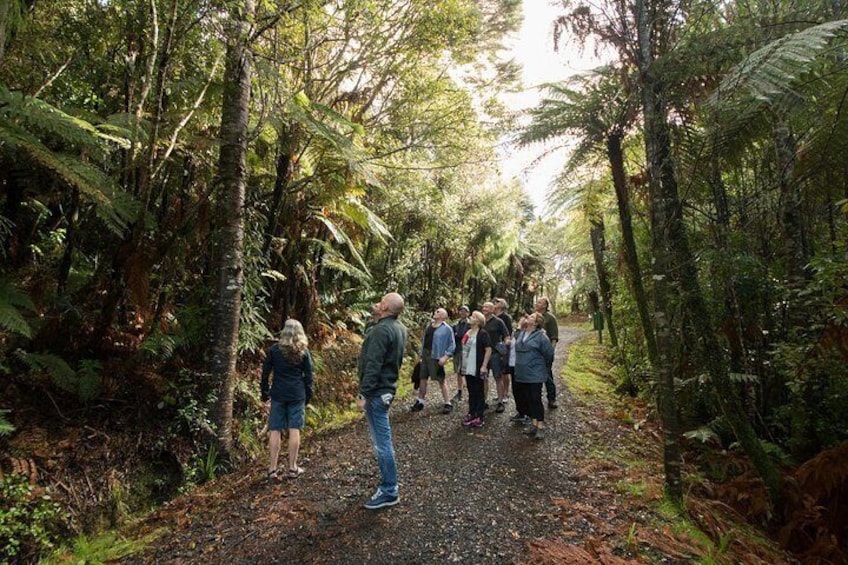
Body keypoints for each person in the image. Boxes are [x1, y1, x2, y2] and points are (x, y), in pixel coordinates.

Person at [357, 292, 408, 510]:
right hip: (387, 389)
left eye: (380, 301)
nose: (376, 303)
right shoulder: (398, 328)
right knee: (382, 440)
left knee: (382, 442)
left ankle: (389, 490)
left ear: (386, 306)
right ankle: (389, 486)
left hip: (378, 392)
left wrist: (364, 394)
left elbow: (373, 364)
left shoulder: (381, 331)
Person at [260, 319, 314, 480]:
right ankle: (292, 468)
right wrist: (308, 395)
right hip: (297, 394)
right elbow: (309, 377)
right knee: (294, 428)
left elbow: (265, 373)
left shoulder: (275, 350)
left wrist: (265, 392)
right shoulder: (303, 351)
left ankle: (272, 469)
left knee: (275, 429)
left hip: (278, 394)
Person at [514, 312, 555, 439]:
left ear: (536, 323)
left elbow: (549, 354)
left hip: (535, 373)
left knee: (535, 398)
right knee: (528, 399)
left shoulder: (541, 337)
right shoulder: (522, 333)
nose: (528, 317)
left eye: (532, 317)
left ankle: (540, 426)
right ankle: (533, 424)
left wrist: (541, 367)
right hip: (522, 373)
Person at [410, 307, 456, 414]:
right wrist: (421, 356)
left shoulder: (447, 329)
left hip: (436, 357)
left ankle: (447, 403)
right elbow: (424, 341)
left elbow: (452, 345)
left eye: (438, 311)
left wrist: (446, 357)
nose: (435, 312)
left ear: (443, 316)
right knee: (422, 377)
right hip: (425, 355)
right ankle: (420, 401)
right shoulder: (429, 326)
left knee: (441, 379)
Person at [460, 310, 492, 428]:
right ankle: (471, 412)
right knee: (471, 391)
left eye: (473, 316)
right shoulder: (468, 332)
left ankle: (479, 416)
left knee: (479, 391)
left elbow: (488, 349)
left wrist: (484, 365)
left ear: (478, 321)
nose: (470, 318)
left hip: (477, 367)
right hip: (467, 367)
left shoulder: (483, 333)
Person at [482, 301, 511, 413]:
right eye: (483, 307)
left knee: (498, 377)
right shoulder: (481, 321)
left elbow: (506, 336)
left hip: (495, 353)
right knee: (483, 377)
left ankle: (500, 401)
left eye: (487, 307)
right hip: (482, 354)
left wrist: (506, 344)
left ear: (492, 309)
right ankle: (483, 401)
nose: (484, 308)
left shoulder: (498, 321)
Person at [535, 296, 559, 409]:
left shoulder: (550, 318)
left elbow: (554, 337)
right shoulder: (534, 316)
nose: (537, 304)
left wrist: (551, 351)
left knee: (547, 375)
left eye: (540, 302)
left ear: (545, 305)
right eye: (537, 302)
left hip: (545, 351)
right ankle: (536, 399)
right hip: (534, 352)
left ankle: (551, 398)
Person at [508, 314, 531, 426]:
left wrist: (518, 328)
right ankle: (520, 412)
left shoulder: (525, 334)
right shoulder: (515, 332)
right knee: (516, 389)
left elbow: (518, 343)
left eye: (524, 319)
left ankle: (528, 413)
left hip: (522, 366)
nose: (521, 320)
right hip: (513, 364)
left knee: (524, 390)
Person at [494, 298, 514, 403]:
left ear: (502, 304)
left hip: (503, 347)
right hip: (494, 348)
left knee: (505, 372)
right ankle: (500, 393)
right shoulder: (493, 317)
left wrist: (505, 348)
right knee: (499, 372)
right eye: (495, 302)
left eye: (498, 302)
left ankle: (506, 393)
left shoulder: (506, 317)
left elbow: (508, 333)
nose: (495, 303)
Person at [451, 305, 471, 403]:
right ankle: (459, 391)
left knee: (467, 371)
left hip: (467, 351)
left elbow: (464, 336)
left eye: (465, 311)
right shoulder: (456, 324)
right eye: (461, 311)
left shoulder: (470, 324)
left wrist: (458, 335)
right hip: (457, 350)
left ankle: (470, 391)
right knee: (458, 372)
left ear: (468, 313)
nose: (463, 313)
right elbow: (454, 336)